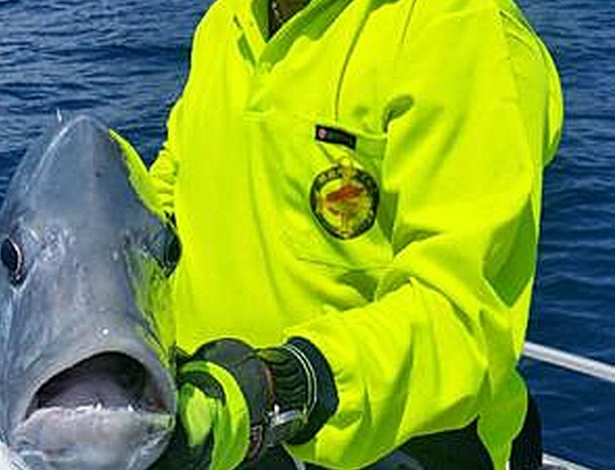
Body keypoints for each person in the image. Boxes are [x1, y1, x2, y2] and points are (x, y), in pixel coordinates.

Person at [143, 0, 563, 468]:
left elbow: (458, 316)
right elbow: (174, 180)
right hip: (210, 426)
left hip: (396, 448)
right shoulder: (227, 20)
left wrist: (283, 386)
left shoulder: (461, 31)